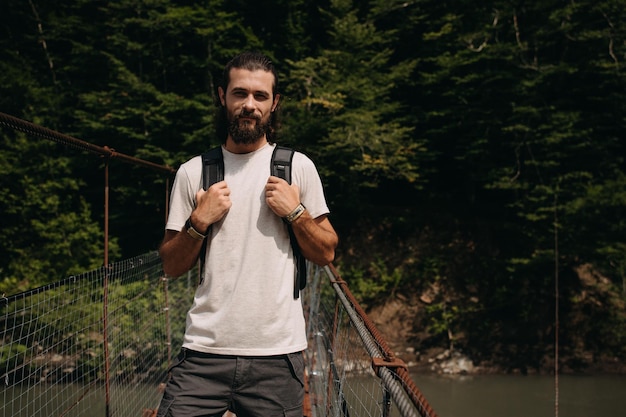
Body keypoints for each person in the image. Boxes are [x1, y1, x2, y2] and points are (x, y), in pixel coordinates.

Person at [156, 51, 339, 417]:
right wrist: (198, 222)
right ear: (223, 96)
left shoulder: (296, 168)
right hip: (203, 353)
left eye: (260, 96)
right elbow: (172, 265)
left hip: (276, 356)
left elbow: (327, 252)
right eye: (240, 94)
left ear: (274, 104)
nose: (249, 105)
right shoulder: (193, 172)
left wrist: (296, 212)